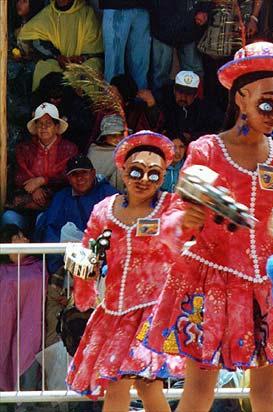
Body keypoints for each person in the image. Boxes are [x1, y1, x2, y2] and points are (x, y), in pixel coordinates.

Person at [143, 42, 273, 412]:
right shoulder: (207, 150)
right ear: (242, 97)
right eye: (267, 102)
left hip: (267, 288)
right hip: (212, 284)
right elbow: (175, 215)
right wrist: (188, 219)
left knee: (268, 395)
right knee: (199, 392)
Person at [65, 131, 184, 410]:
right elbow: (88, 253)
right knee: (117, 384)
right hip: (116, 311)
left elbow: (195, 234)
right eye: (136, 171)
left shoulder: (172, 206)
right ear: (123, 170)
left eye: (154, 174)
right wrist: (85, 286)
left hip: (154, 311)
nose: (144, 180)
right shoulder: (104, 210)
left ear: (164, 175)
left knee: (147, 384)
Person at [3, 103, 78, 231]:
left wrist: (43, 180)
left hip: (56, 207)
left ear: (56, 126)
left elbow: (70, 175)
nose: (43, 128)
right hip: (26, 206)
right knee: (9, 218)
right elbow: (20, 174)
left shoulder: (69, 149)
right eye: (39, 124)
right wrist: (35, 189)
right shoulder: (24, 148)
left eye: (48, 124)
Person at [37, 155, 118, 274]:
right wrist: (62, 262)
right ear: (68, 178)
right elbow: (50, 230)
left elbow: (117, 229)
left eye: (84, 173)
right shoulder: (61, 197)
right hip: (67, 260)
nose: (80, 178)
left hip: (102, 260)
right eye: (74, 174)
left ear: (93, 173)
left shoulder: (109, 194)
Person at [17, 0, 103, 91]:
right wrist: (57, 57)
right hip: (57, 60)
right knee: (44, 69)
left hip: (82, 62)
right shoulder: (48, 13)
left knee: (91, 69)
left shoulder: (87, 13)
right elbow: (37, 39)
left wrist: (82, 58)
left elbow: (95, 47)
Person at [0, 225, 45, 392]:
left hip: (30, 325)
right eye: (19, 236)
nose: (26, 239)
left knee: (27, 352)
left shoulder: (39, 265)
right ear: (9, 242)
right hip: (4, 327)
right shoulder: (2, 271)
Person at [149, 0, 208, 95]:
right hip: (162, 28)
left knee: (194, 75)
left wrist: (204, 9)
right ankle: (157, 106)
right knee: (160, 74)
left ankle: (196, 106)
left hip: (190, 27)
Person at [156, 70, 224, 141]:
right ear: (174, 90)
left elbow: (219, 127)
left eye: (188, 94)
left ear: (195, 95)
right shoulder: (166, 103)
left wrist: (193, 136)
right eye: (180, 92)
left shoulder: (205, 109)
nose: (183, 98)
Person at [100, 0, 151, 90]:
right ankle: (113, 103)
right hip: (115, 6)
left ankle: (139, 102)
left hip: (143, 7)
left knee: (141, 66)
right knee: (114, 68)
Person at [88, 114, 129, 191]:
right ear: (105, 136)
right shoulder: (95, 151)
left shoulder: (128, 150)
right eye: (113, 136)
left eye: (120, 135)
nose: (118, 139)